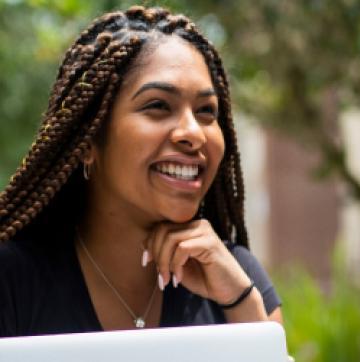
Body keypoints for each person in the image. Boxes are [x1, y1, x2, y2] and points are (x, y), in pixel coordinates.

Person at [0, 5, 282, 336]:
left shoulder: (236, 275)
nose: (193, 132)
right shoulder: (13, 280)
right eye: (158, 106)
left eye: (207, 111)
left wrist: (242, 305)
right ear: (89, 140)